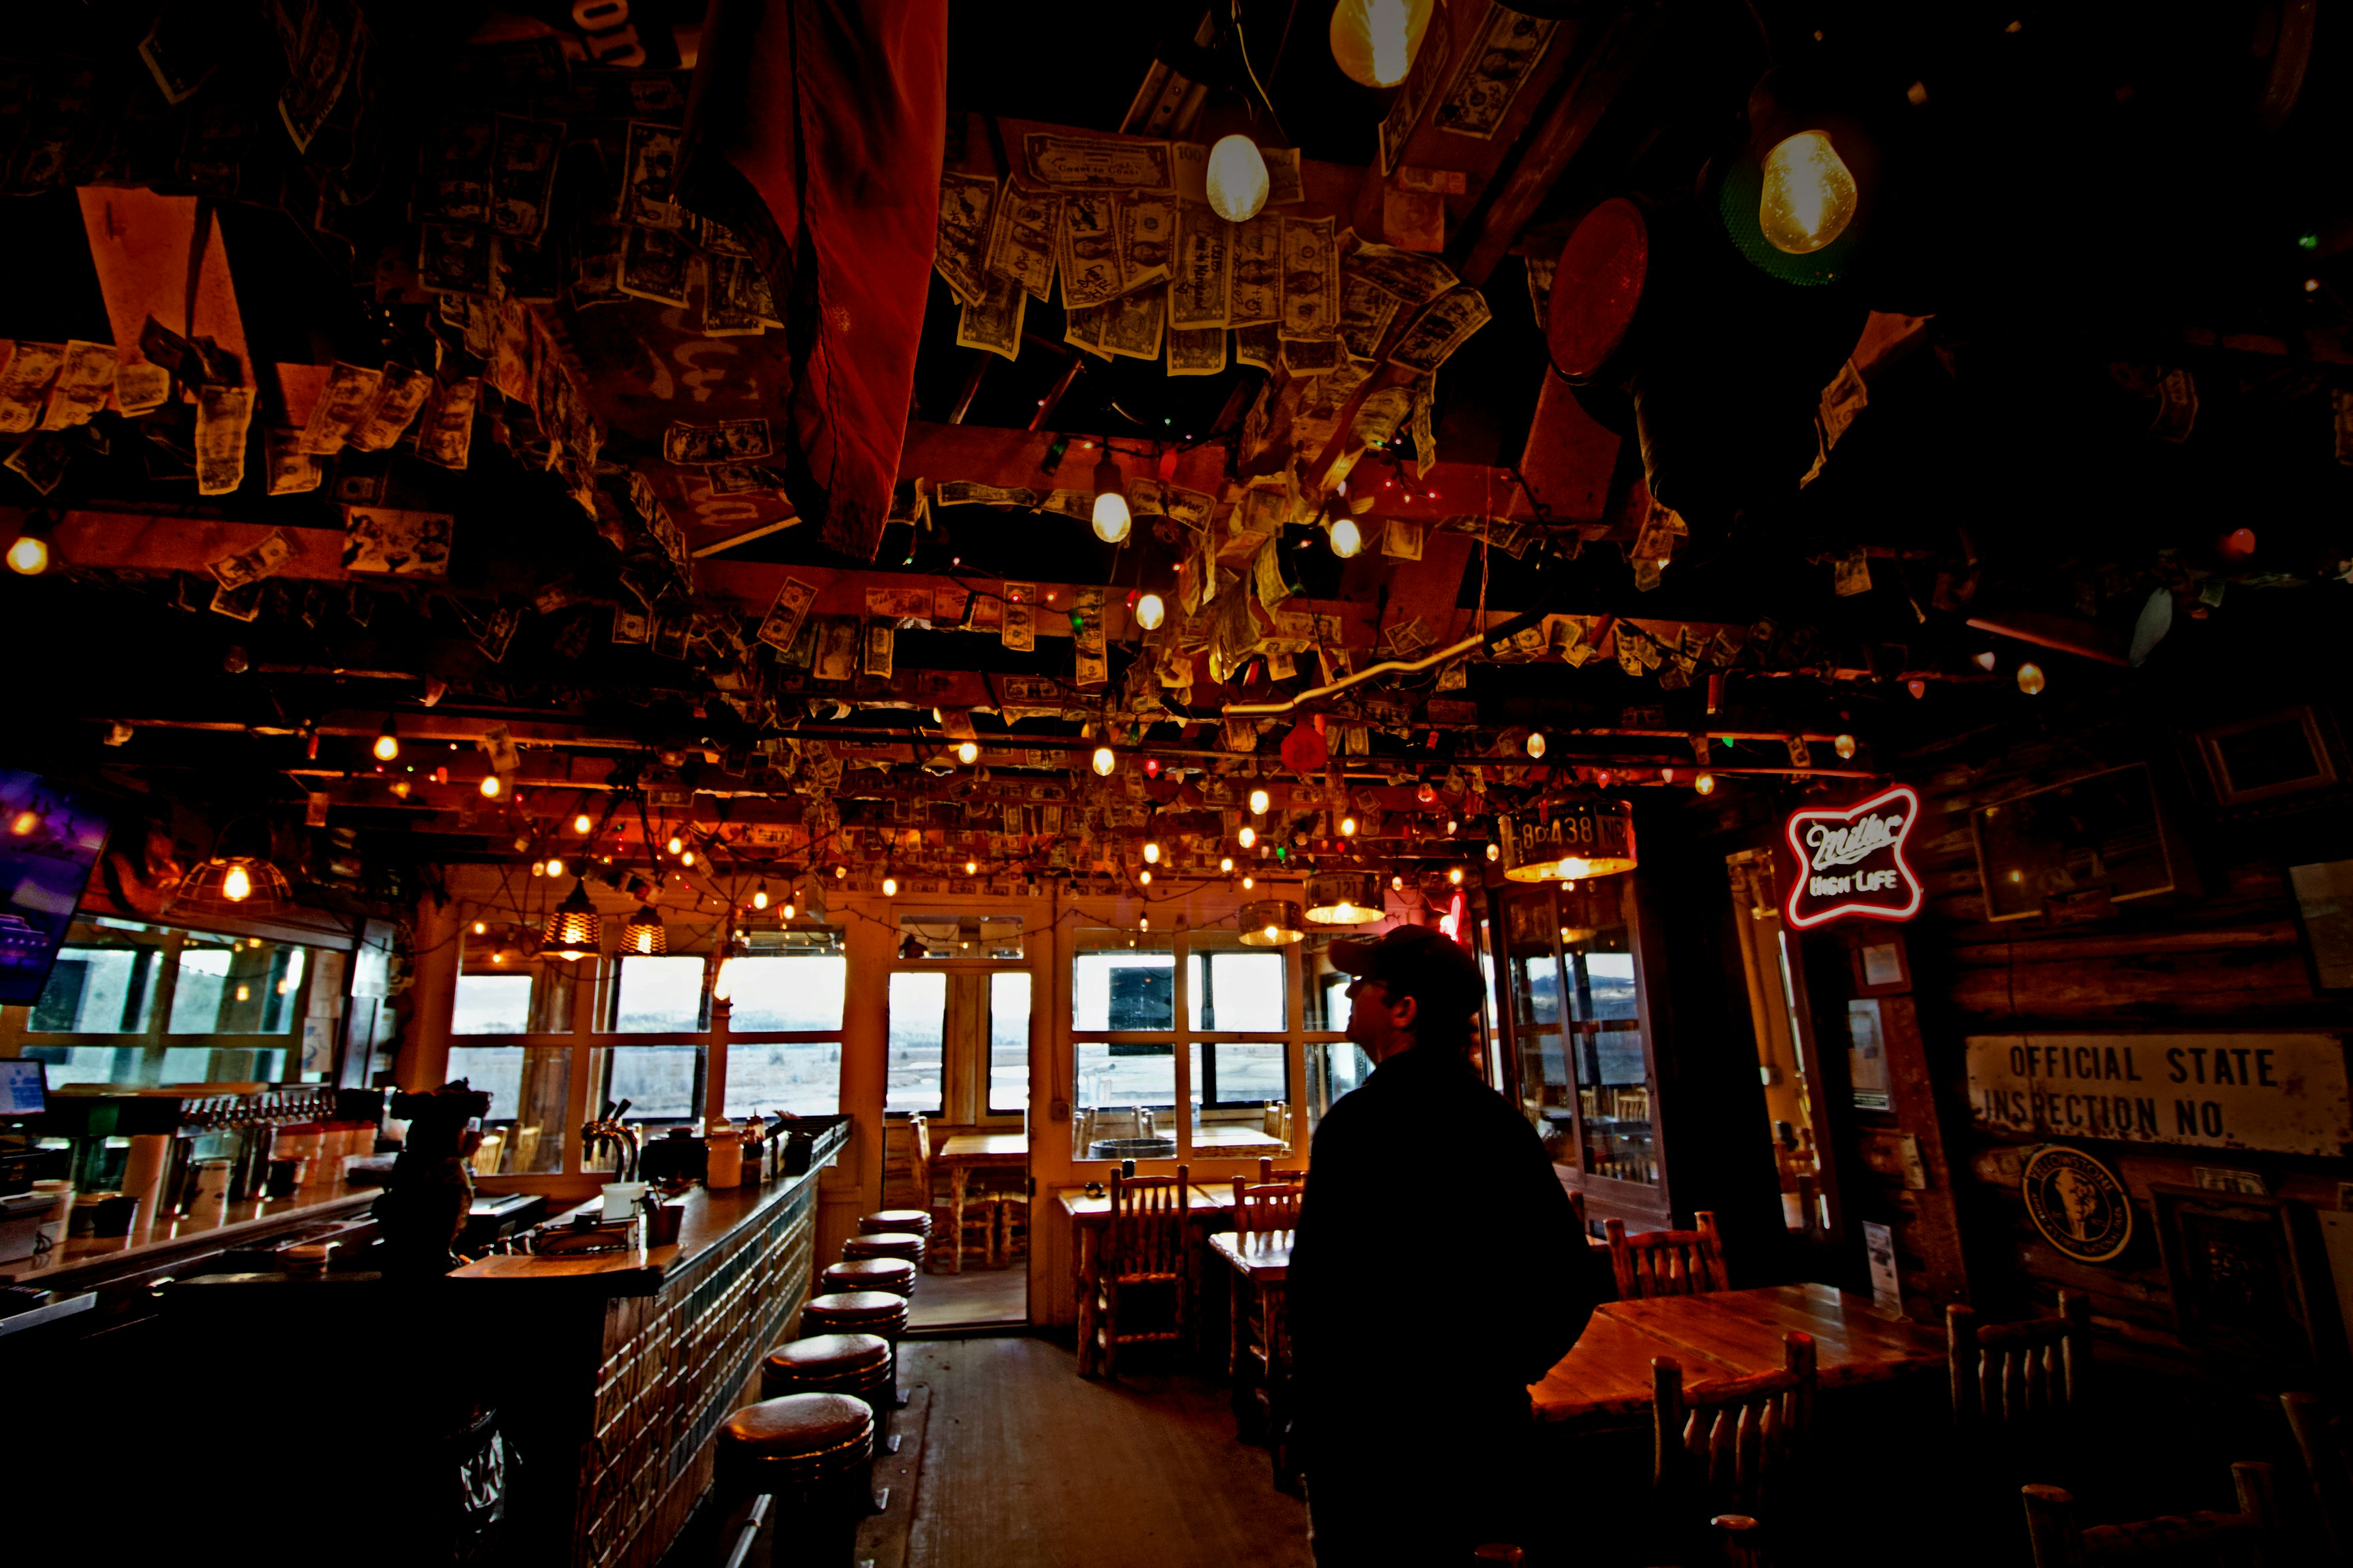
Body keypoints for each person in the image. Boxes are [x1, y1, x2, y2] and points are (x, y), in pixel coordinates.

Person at [1287, 924, 1597, 1565]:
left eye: (1362, 983)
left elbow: (1317, 1297)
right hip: (1484, 1441)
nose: (1347, 993)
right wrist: (1495, 1374)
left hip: (1368, 1449)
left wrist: (1312, 1423)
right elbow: (1572, 1278)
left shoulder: (1355, 1126)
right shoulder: (1501, 1122)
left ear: (1404, 1009)